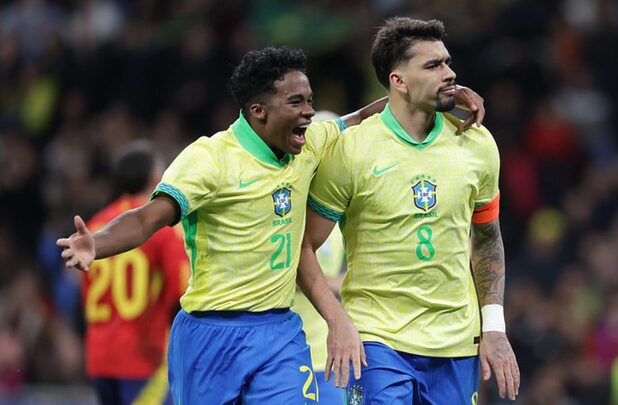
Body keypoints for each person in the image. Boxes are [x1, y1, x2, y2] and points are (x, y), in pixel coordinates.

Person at [57, 47, 486, 404]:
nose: (309, 112)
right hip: (211, 333)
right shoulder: (210, 159)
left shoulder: (311, 141)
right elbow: (147, 218)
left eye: (310, 101)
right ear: (258, 111)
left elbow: (361, 116)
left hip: (279, 332)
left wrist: (444, 95)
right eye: (296, 103)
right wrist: (98, 242)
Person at [299, 18, 520, 404]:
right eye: (433, 66)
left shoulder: (477, 143)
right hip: (376, 343)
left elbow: (487, 238)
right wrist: (338, 322)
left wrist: (495, 328)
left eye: (448, 62)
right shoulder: (352, 150)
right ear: (398, 80)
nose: (450, 73)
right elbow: (303, 247)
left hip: (455, 344)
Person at [82, 141, 188, 405]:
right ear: (156, 177)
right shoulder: (161, 227)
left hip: (99, 357)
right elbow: (184, 288)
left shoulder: (97, 225)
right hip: (143, 358)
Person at [290, 110, 348, 405]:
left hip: (333, 356)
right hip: (290, 357)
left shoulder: (338, 220)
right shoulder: (287, 210)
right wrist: (335, 283)